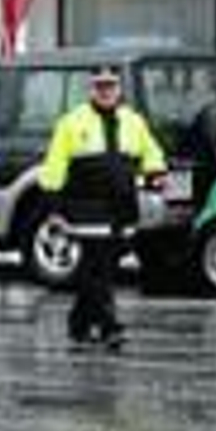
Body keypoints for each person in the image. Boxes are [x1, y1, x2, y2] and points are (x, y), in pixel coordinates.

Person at [38, 64, 166, 350]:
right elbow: (54, 166)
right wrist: (54, 206)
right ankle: (110, 327)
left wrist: (156, 171)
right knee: (98, 268)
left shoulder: (134, 121)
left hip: (122, 210)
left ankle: (79, 324)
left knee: (98, 269)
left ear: (119, 89)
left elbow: (152, 152)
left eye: (111, 85)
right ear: (91, 89)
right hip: (85, 210)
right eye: (100, 86)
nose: (106, 91)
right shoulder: (71, 123)